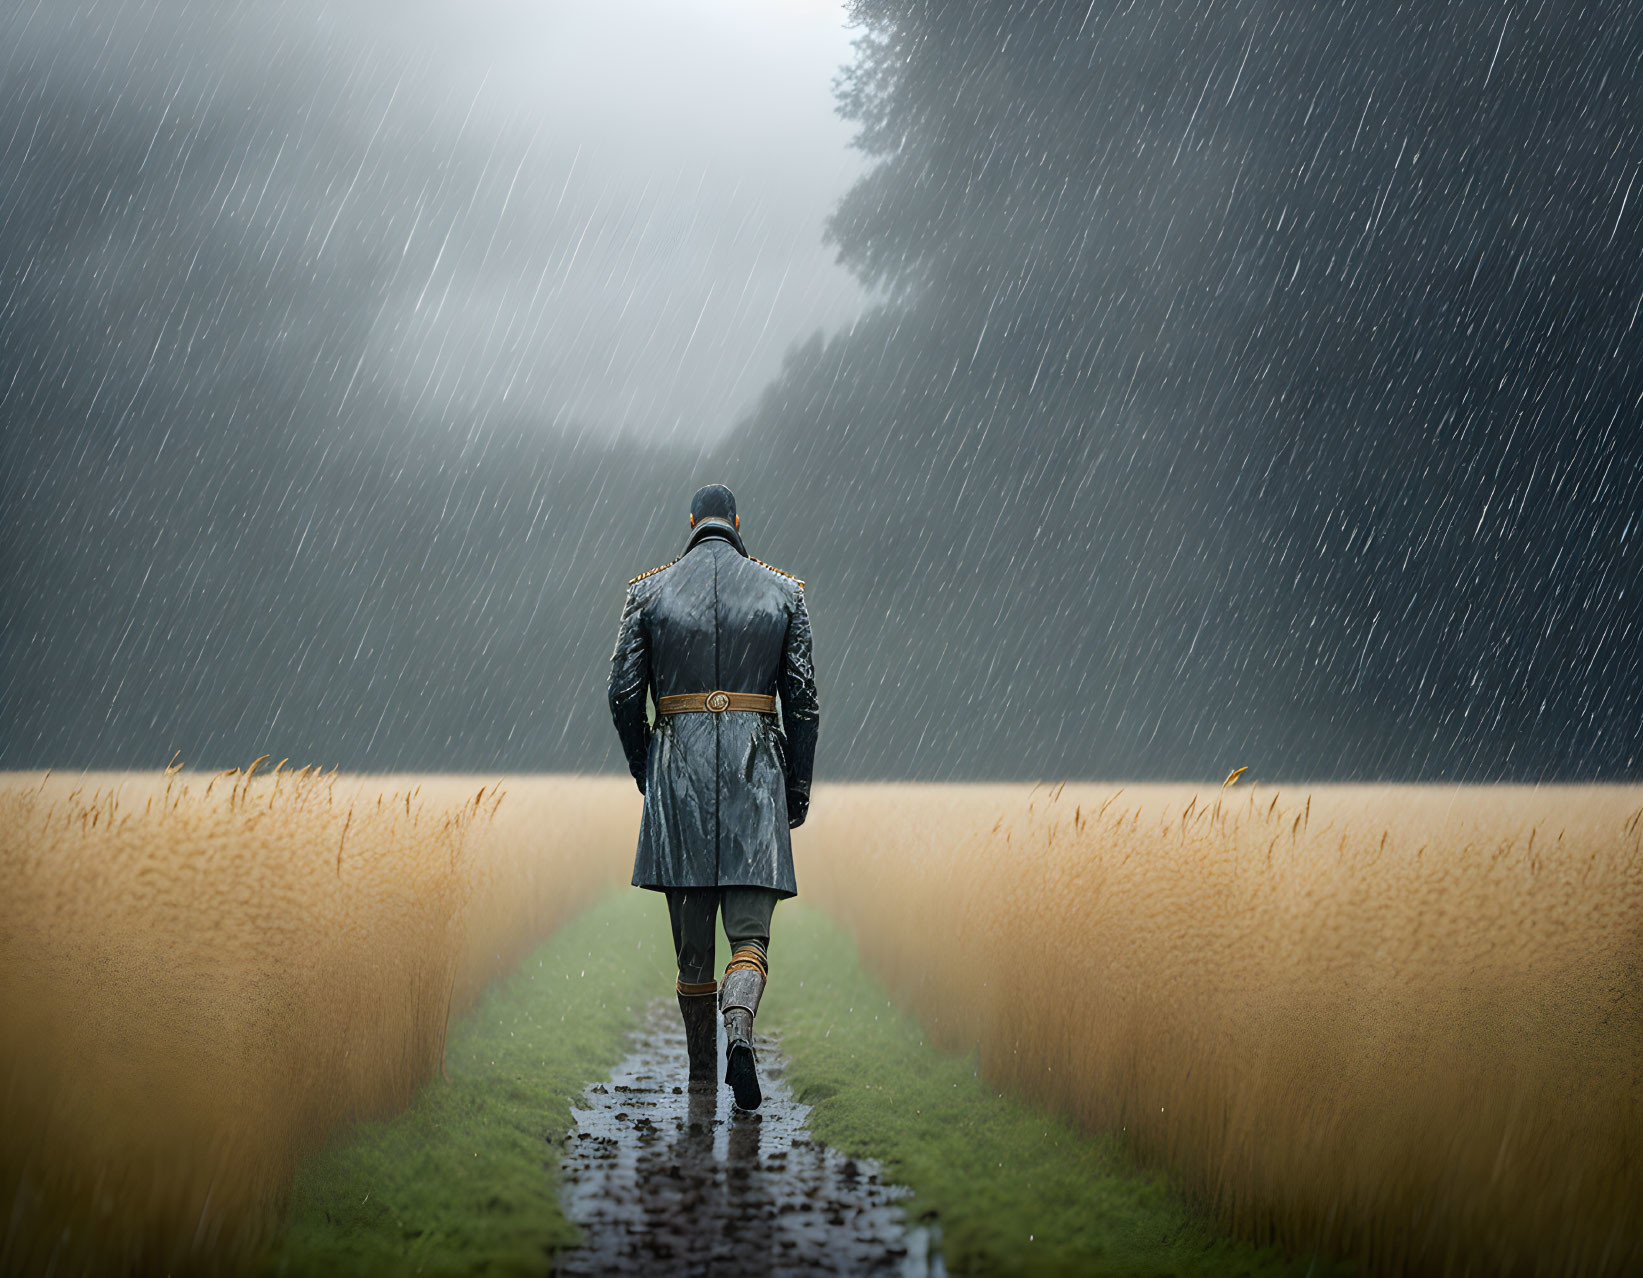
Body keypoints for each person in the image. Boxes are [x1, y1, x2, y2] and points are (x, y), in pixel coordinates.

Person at [607, 483, 818, 1109]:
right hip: (757, 777)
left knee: (692, 951)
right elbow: (804, 704)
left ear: (693, 523)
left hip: (681, 780)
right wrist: (795, 790)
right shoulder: (786, 593)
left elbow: (622, 695)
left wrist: (653, 770)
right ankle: (740, 1036)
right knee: (750, 939)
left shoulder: (646, 593)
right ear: (737, 522)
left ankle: (701, 1081)